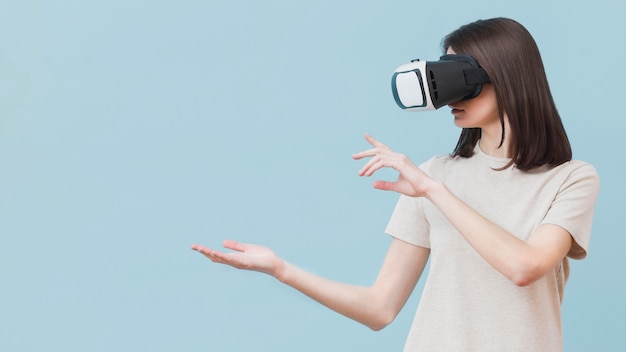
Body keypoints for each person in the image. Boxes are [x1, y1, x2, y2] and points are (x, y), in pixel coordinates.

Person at [191, 17, 600, 351]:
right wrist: (280, 269)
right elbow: (379, 308)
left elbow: (525, 267)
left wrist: (435, 192)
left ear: (506, 76)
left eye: (456, 77)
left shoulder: (570, 179)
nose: (446, 96)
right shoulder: (434, 173)